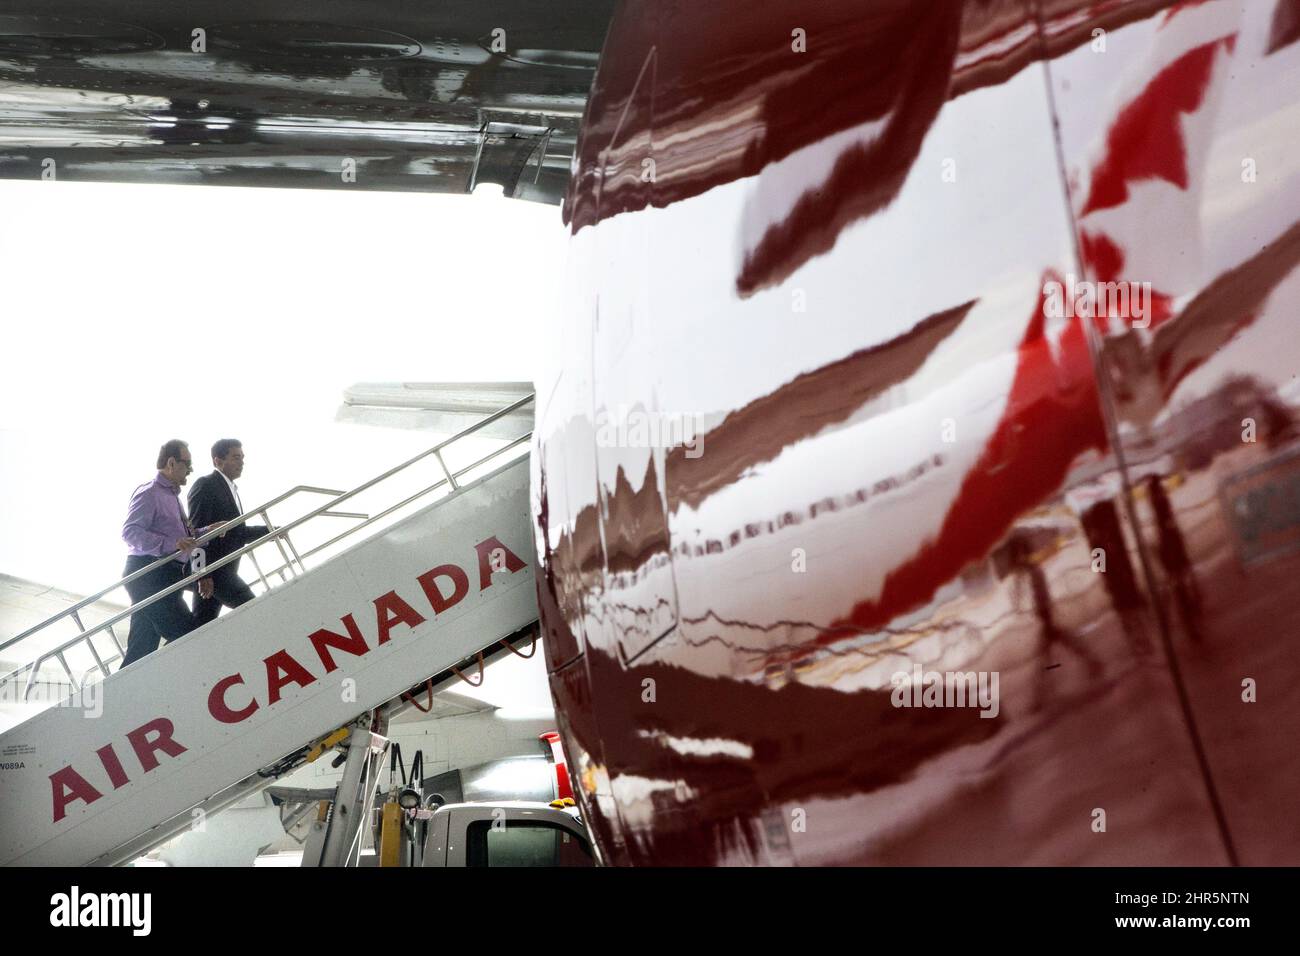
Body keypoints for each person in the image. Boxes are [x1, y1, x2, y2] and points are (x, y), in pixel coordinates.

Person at [119, 440, 223, 668]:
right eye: (187, 464)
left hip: (164, 576)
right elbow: (130, 532)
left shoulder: (172, 497)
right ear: (171, 462)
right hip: (147, 575)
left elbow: (185, 539)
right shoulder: (150, 493)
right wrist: (171, 543)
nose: (191, 470)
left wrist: (208, 531)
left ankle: (119, 698)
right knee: (188, 634)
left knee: (141, 649)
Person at [188, 439, 271, 627]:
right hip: (215, 572)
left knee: (199, 626)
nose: (241, 462)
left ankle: (169, 656)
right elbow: (196, 533)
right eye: (235, 458)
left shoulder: (231, 489)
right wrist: (202, 574)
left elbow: (237, 533)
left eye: (242, 458)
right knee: (254, 608)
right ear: (217, 461)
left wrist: (269, 530)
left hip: (224, 570)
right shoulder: (205, 485)